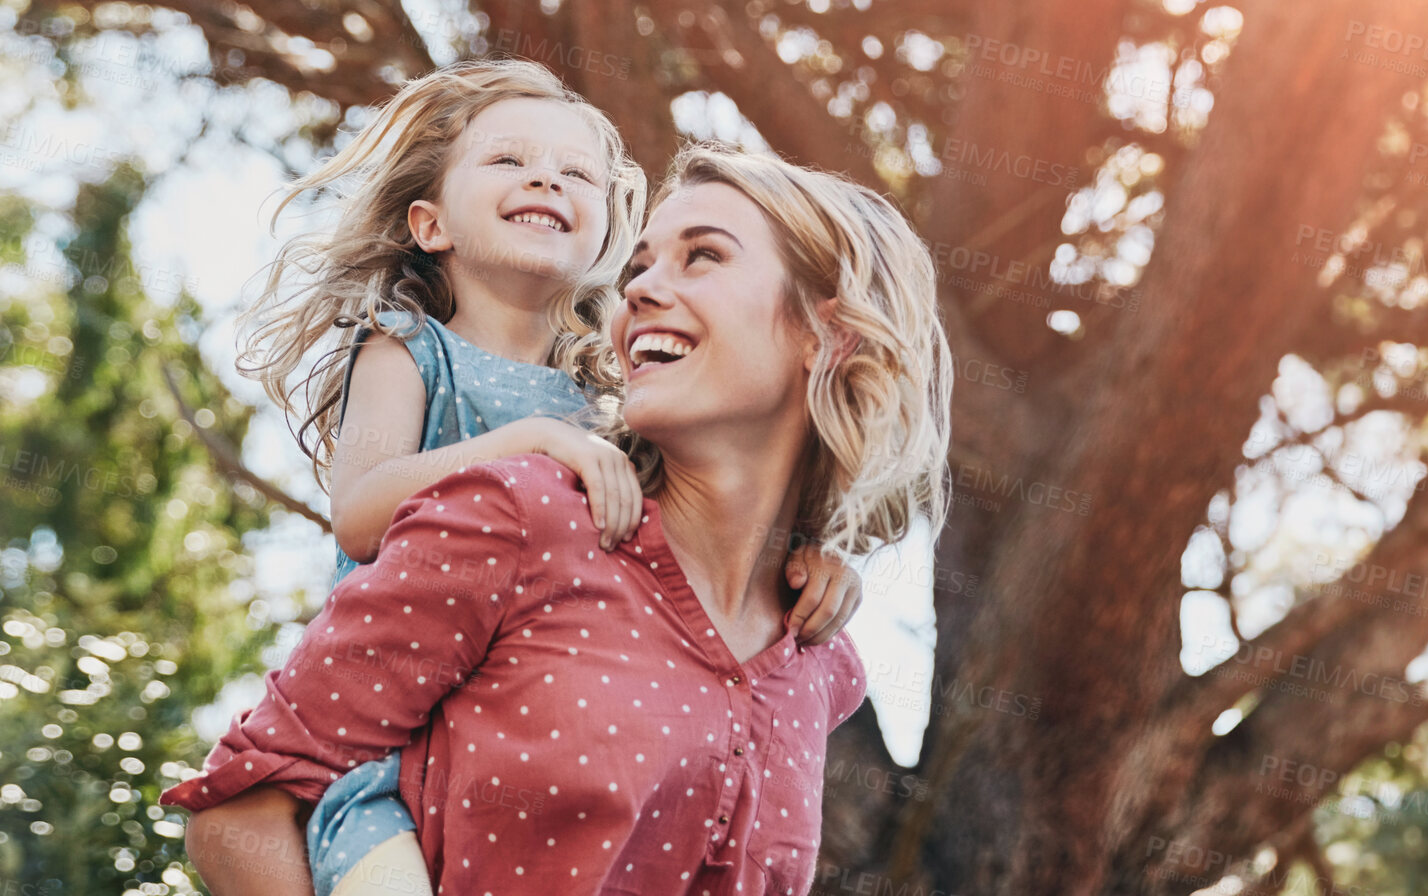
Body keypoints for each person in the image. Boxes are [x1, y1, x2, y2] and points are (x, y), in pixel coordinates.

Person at [162, 142, 951, 896]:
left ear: (829, 334)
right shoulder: (518, 517)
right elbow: (241, 809)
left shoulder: (820, 657)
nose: (637, 290)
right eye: (637, 265)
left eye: (702, 255)